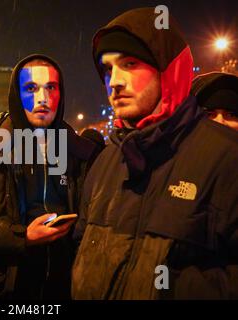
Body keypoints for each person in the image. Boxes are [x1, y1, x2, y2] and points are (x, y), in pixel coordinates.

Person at [72, 8, 238, 299]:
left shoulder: (227, 159)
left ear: (167, 69)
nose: (114, 81)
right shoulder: (104, 164)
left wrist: (162, 288)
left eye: (130, 63)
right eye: (108, 68)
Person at [0, 54, 101, 299]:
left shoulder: (81, 152)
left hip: (66, 288)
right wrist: (21, 237)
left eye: (51, 87)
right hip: (4, 290)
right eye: (31, 88)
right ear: (16, 94)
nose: (43, 98)